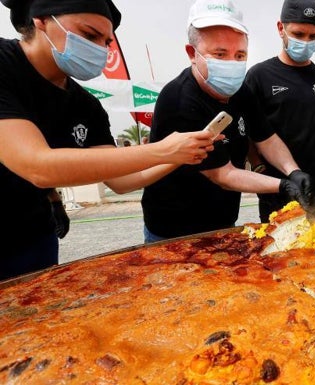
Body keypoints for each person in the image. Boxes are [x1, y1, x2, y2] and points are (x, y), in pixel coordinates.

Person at [0, 0, 219, 280]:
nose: (99, 50)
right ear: (41, 20)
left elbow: (122, 180)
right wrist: (162, 149)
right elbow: (37, 165)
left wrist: (177, 156)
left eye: (105, 42)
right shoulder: (5, 66)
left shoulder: (86, 105)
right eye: (89, 35)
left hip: (33, 235)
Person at [141, 0, 315, 242]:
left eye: (240, 55)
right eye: (220, 54)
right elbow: (223, 175)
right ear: (192, 53)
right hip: (174, 229)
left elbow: (266, 138)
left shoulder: (242, 92)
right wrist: (282, 185)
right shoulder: (179, 100)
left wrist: (294, 171)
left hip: (222, 220)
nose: (232, 64)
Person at [244, 0, 315, 222]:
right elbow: (250, 131)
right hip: (278, 187)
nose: (305, 42)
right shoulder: (259, 76)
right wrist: (258, 166)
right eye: (298, 34)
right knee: (278, 249)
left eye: (313, 36)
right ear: (281, 28)